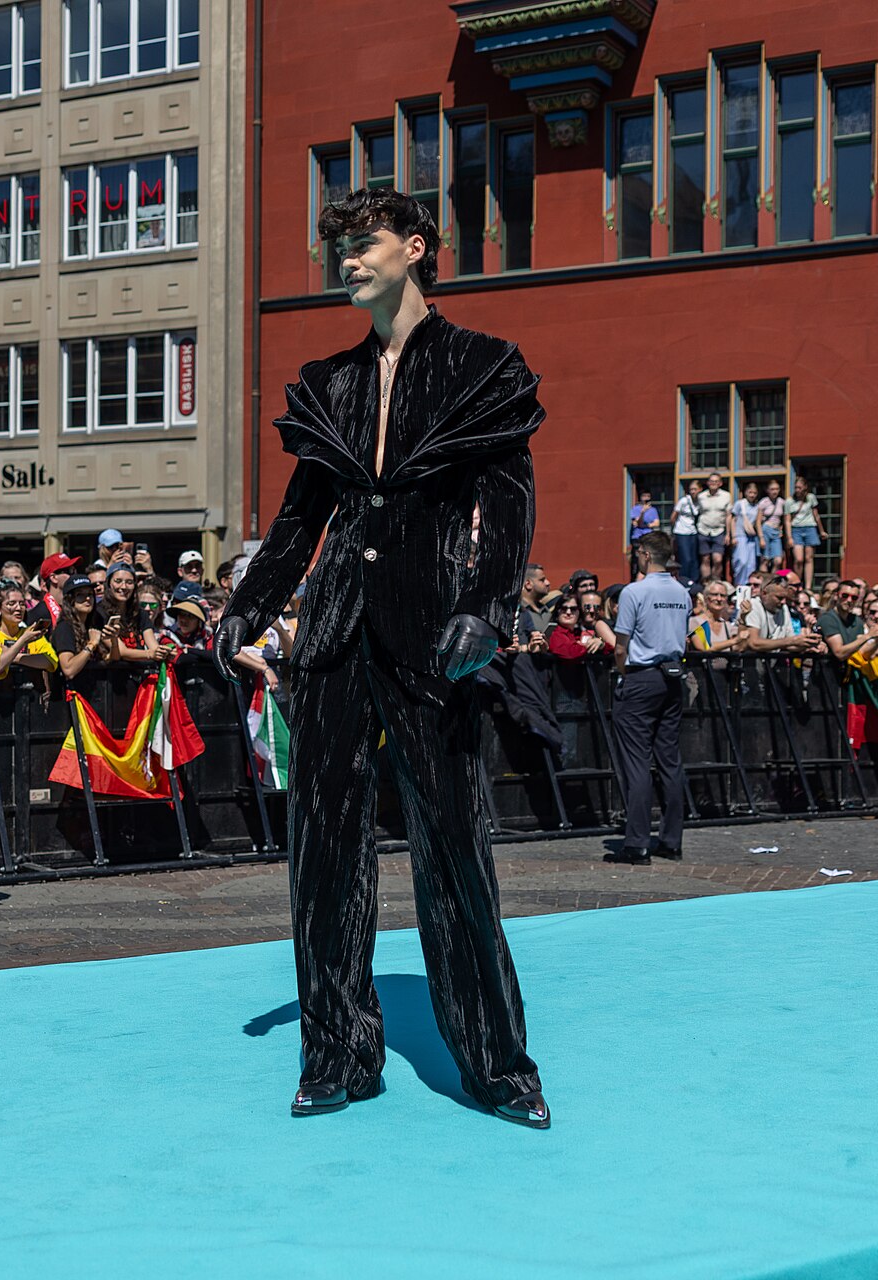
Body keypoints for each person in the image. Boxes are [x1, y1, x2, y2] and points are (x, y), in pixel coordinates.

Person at [212, 187, 547, 1129]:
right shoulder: (330, 383)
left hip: (435, 634)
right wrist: (247, 608)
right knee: (321, 853)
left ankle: (495, 1065)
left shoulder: (483, 367)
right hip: (331, 638)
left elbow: (511, 505)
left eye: (363, 244)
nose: (347, 261)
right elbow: (297, 521)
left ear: (417, 247)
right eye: (338, 248)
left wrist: (488, 607)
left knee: (454, 850)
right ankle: (337, 1056)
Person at [607, 531, 691, 866]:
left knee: (637, 761)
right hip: (672, 676)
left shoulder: (635, 591)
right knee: (669, 760)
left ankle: (638, 842)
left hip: (641, 676)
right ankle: (671, 841)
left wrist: (624, 673)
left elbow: (620, 645)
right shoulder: (682, 592)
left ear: (644, 554)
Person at [0, 581, 58, 680]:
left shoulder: (31, 633)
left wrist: (15, 657)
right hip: (5, 694)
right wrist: (23, 641)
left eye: (22, 603)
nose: (19, 608)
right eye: (11, 603)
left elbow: (51, 661)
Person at [816, 580, 878, 662]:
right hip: (828, 671)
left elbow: (863, 653)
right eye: (845, 595)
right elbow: (839, 653)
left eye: (854, 598)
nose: (849, 600)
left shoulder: (857, 621)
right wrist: (868, 636)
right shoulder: (828, 619)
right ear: (836, 596)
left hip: (849, 672)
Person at [783, 476, 822, 588]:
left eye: (800, 487)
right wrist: (789, 537)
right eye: (796, 487)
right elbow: (787, 520)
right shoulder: (789, 501)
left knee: (809, 558)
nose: (797, 490)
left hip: (810, 527)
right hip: (796, 529)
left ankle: (808, 586)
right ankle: (798, 584)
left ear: (805, 487)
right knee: (798, 559)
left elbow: (816, 515)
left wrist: (821, 530)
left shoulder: (811, 498)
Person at [695, 471, 733, 585]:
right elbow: (698, 513)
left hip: (719, 531)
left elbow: (728, 516)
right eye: (711, 481)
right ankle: (706, 584)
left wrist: (728, 534)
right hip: (703, 530)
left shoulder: (726, 496)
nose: (713, 483)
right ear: (707, 483)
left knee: (718, 559)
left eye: (716, 481)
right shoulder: (701, 496)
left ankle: (715, 582)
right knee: (705, 559)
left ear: (720, 483)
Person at [689, 582, 743, 654]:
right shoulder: (695, 621)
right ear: (706, 598)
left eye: (723, 595)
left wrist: (744, 616)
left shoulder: (727, 625)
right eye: (715, 595)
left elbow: (740, 646)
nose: (719, 599)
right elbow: (705, 647)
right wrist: (734, 641)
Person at [671, 479, 702, 590]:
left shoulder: (700, 501)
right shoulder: (684, 501)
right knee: (686, 558)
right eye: (691, 489)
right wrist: (674, 531)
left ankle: (694, 581)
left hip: (693, 532)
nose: (693, 492)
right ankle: (684, 580)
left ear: (700, 490)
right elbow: (673, 516)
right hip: (681, 532)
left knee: (694, 559)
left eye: (695, 489)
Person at [730, 481, 761, 587]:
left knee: (751, 564)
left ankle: (748, 586)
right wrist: (733, 536)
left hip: (751, 537)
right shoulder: (740, 504)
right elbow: (733, 520)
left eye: (754, 493)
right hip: (740, 535)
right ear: (745, 492)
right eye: (750, 492)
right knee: (741, 561)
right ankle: (738, 584)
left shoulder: (757, 506)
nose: (752, 495)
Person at [627, 489, 660, 577]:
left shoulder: (653, 510)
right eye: (644, 496)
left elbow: (657, 523)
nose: (646, 498)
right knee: (638, 559)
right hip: (638, 537)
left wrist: (646, 525)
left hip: (648, 536)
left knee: (649, 558)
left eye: (648, 496)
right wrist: (642, 512)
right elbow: (637, 523)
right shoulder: (636, 509)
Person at [755, 478, 785, 573]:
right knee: (765, 559)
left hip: (776, 532)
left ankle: (773, 582)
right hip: (766, 530)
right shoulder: (764, 502)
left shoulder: (781, 502)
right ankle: (764, 583)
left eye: (777, 489)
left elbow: (785, 518)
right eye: (772, 489)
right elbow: (758, 521)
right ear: (767, 490)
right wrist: (761, 538)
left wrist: (782, 529)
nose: (775, 491)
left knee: (778, 560)